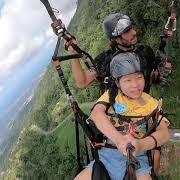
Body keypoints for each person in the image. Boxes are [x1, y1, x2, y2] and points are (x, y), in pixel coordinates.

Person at [67, 13, 168, 175]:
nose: (133, 32)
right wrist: (74, 55)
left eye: (132, 28)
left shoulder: (145, 53)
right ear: (115, 39)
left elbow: (154, 77)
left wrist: (161, 73)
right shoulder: (105, 61)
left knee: (155, 155)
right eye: (126, 31)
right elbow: (82, 82)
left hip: (142, 112)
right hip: (113, 114)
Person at [74, 52, 170, 180]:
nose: (135, 85)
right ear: (118, 83)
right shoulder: (112, 95)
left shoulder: (151, 103)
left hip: (137, 159)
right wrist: (119, 140)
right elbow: (97, 114)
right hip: (107, 156)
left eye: (139, 77)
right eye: (128, 80)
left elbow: (164, 132)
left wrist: (141, 145)